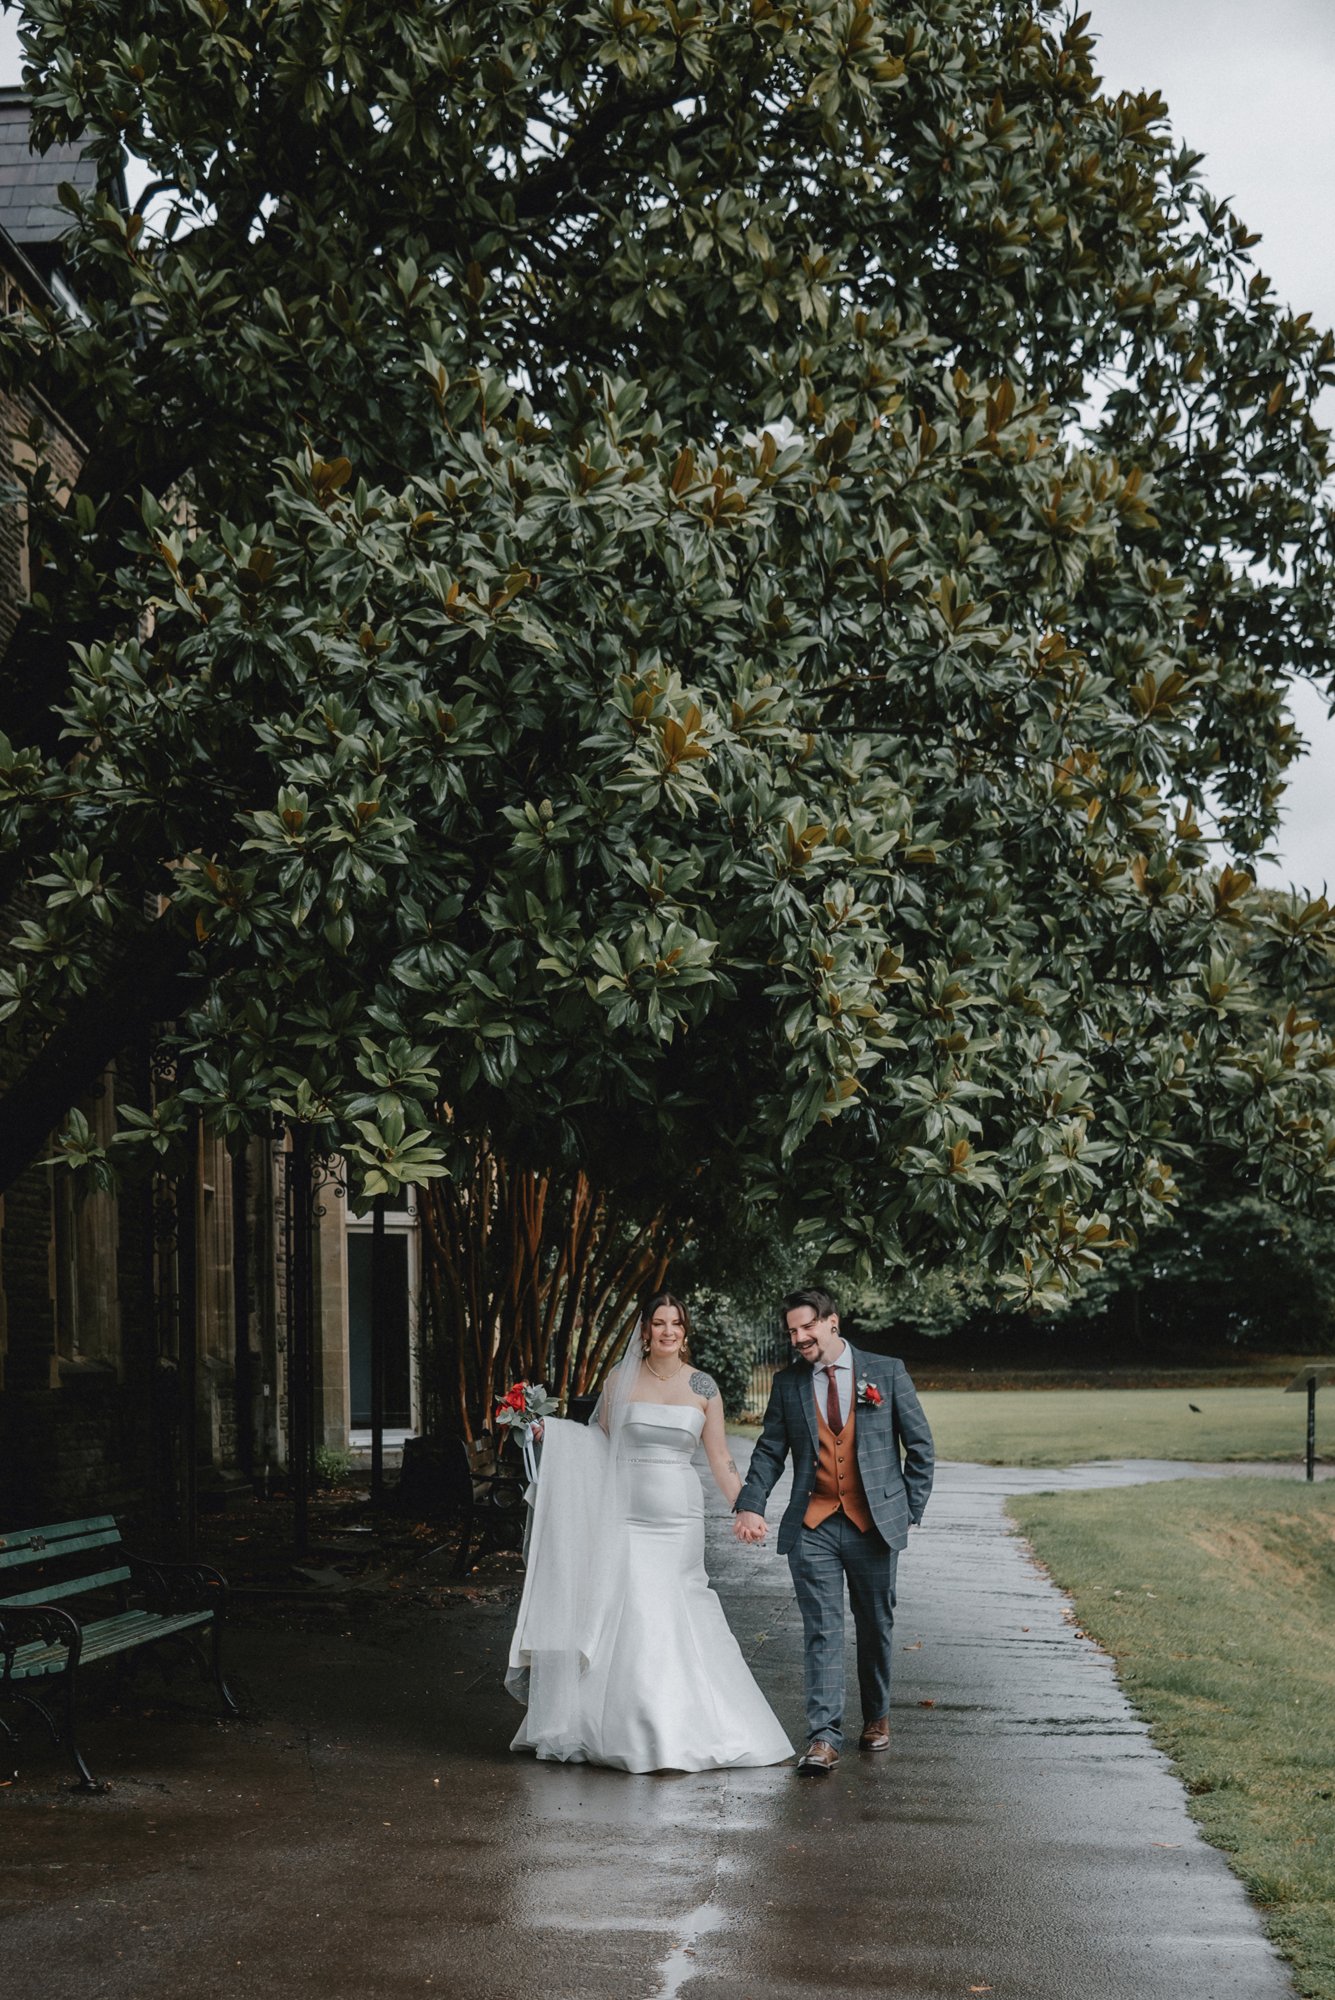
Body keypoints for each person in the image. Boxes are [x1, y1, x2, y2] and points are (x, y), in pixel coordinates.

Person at [506, 1292, 793, 1772]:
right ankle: (623, 1727)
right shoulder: (621, 1379)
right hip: (625, 1515)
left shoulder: (703, 1385)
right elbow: (598, 1440)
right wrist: (549, 1434)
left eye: (675, 1323)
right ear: (645, 1331)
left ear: (685, 1331)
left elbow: (720, 1458)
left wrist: (745, 1507)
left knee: (677, 1608)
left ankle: (689, 1724)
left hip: (678, 1518)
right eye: (658, 1323)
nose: (666, 1331)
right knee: (632, 1608)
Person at [733, 1287, 934, 1774]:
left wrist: (907, 1508)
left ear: (832, 1323)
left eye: (806, 1327)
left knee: (875, 1626)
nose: (798, 1338)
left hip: (873, 1526)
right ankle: (823, 1737)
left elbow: (921, 1447)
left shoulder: (886, 1372)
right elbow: (769, 1451)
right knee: (821, 1631)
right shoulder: (788, 1384)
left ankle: (877, 1717)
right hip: (814, 1525)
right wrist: (750, 1504)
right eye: (791, 1331)